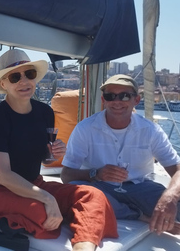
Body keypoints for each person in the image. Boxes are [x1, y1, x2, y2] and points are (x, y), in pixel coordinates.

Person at [0, 49, 118, 251]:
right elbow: (3, 176)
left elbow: (44, 159)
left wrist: (53, 153)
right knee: (41, 213)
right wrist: (47, 198)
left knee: (93, 195)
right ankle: (68, 216)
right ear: (4, 84)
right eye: (15, 77)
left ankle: (84, 246)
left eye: (29, 74)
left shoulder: (45, 112)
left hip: (32, 183)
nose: (24, 81)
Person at [61, 74, 180, 235]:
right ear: (104, 100)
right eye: (110, 96)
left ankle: (130, 211)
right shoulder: (85, 129)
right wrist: (96, 173)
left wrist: (170, 197)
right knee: (73, 191)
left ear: (136, 100)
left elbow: (177, 170)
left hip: (141, 188)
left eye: (124, 96)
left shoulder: (151, 130)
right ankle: (139, 215)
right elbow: (67, 175)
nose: (117, 101)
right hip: (100, 188)